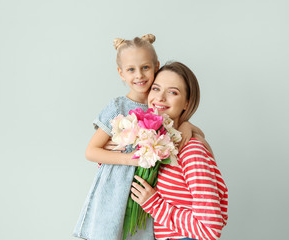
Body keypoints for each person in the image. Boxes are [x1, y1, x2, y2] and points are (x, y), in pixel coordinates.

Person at [73, 35, 204, 240]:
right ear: (121, 73)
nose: (139, 75)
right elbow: (91, 151)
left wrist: (187, 125)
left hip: (146, 187)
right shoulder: (118, 107)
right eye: (131, 70)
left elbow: (182, 126)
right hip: (116, 186)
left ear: (156, 67)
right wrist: (130, 158)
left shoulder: (160, 106)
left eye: (145, 67)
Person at [130, 62, 228, 240]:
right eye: (156, 88)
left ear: (187, 103)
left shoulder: (192, 151)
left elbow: (210, 229)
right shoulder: (156, 145)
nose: (160, 98)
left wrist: (154, 204)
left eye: (173, 92)